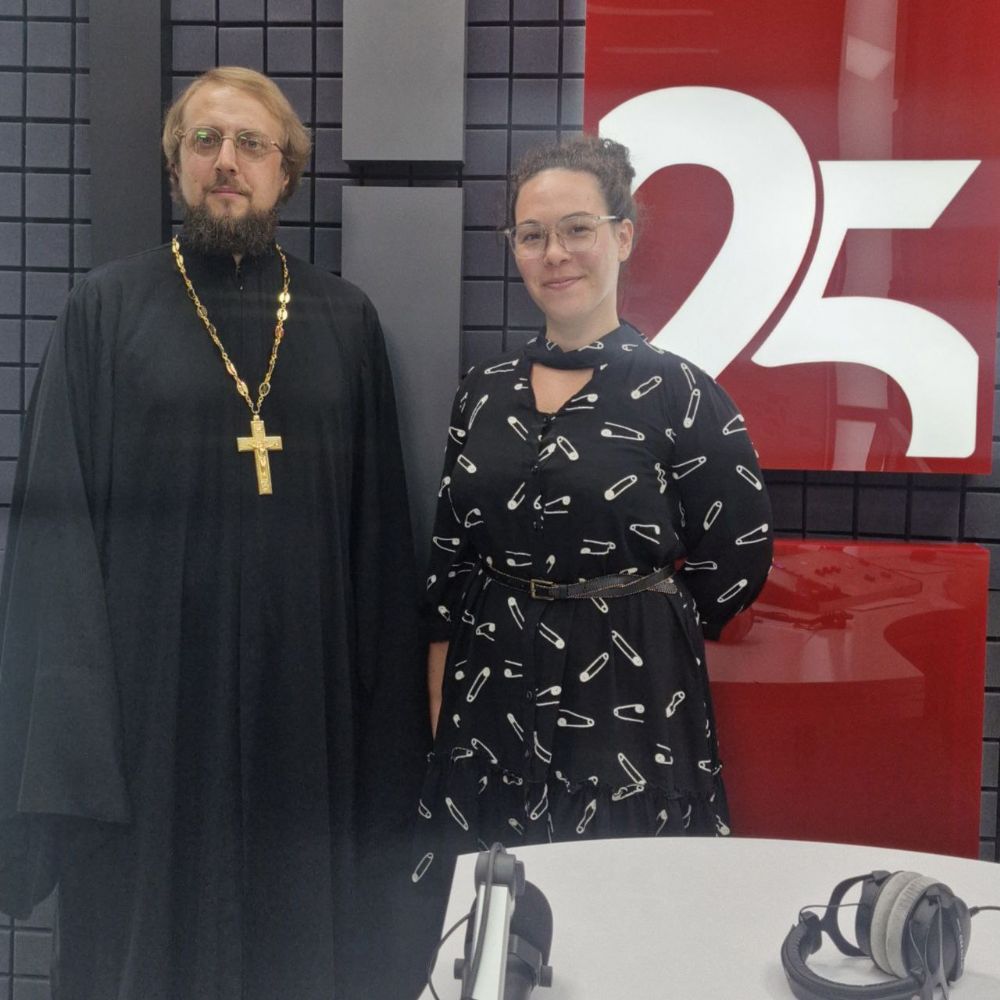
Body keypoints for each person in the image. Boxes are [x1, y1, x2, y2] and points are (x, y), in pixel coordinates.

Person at [0, 67, 428, 1000]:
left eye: (250, 144)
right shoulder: (104, 312)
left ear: (286, 172)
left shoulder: (344, 320)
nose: (226, 161)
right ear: (175, 166)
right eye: (205, 141)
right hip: (149, 713)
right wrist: (73, 749)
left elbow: (380, 552)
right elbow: (55, 544)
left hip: (306, 711)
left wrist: (385, 749)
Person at [412, 136, 773, 884]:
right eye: (532, 235)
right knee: (489, 904)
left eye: (577, 229)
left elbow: (736, 557)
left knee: (621, 895)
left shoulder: (681, 393)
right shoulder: (482, 392)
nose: (555, 254)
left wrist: (630, 611)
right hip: (490, 683)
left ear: (622, 236)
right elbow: (450, 557)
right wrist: (444, 697)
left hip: (629, 691)